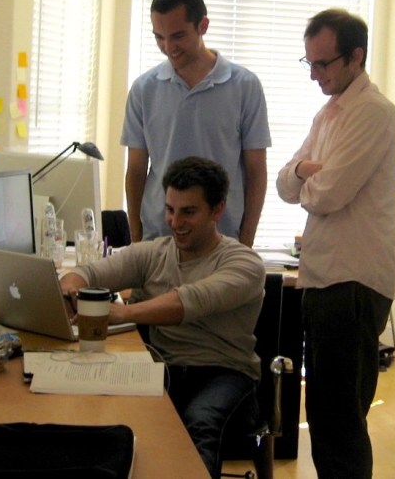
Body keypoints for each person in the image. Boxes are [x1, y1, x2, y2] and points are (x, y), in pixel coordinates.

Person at [60, 156, 266, 478]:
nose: (175, 221)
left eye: (188, 212)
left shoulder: (244, 264)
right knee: (102, 413)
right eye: (170, 209)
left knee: (200, 422)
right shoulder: (154, 252)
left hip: (224, 374)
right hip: (164, 368)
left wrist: (121, 313)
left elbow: (188, 302)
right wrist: (70, 289)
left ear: (217, 210)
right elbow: (90, 272)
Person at [276, 8, 395, 478]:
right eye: (308, 63)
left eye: (323, 64)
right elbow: (285, 182)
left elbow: (330, 195)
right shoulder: (329, 113)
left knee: (340, 421)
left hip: (352, 284)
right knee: (327, 415)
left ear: (356, 57)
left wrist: (308, 176)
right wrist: (307, 171)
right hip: (324, 279)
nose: (315, 75)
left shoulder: (372, 112)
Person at [122, 0, 271, 247]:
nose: (169, 47)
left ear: (203, 25)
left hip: (223, 241)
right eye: (159, 37)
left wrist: (246, 241)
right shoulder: (144, 89)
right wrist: (136, 238)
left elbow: (256, 170)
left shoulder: (244, 86)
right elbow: (136, 170)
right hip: (158, 239)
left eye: (178, 36)